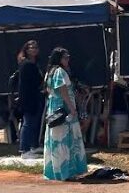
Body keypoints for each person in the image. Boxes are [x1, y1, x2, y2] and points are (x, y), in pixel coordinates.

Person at [42, 47, 87, 181]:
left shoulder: (50, 72)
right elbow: (63, 91)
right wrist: (72, 108)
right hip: (63, 108)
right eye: (65, 57)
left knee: (55, 139)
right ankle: (66, 172)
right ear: (59, 58)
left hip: (54, 108)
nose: (68, 60)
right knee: (65, 140)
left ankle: (55, 172)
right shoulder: (60, 71)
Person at [16, 40, 44, 158]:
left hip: (35, 96)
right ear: (26, 50)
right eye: (31, 47)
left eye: (36, 47)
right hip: (28, 98)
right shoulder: (27, 64)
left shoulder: (35, 64)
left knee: (35, 122)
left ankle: (33, 146)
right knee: (28, 123)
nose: (34, 49)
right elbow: (33, 82)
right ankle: (24, 150)